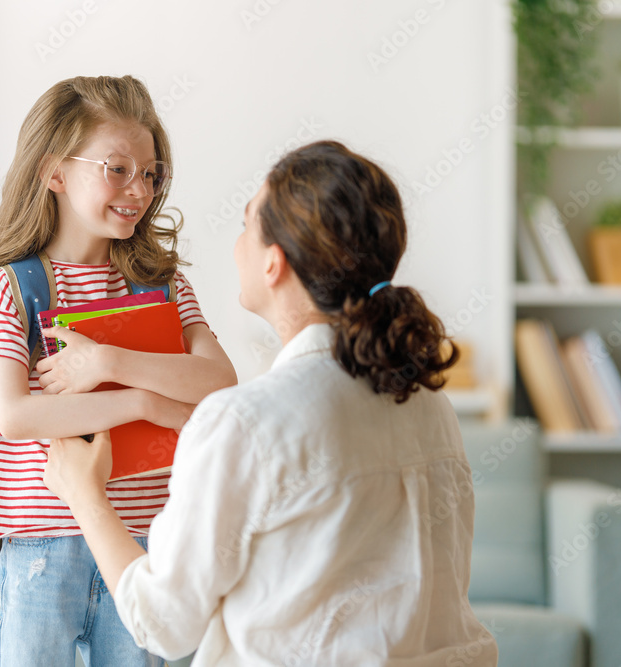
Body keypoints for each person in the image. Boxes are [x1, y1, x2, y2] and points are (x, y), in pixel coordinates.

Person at [44, 140, 500, 666]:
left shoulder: (246, 422)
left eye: (246, 226)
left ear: (273, 264)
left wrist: (85, 496)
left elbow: (162, 623)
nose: (237, 245)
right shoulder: (427, 404)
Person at [0, 75, 237, 667]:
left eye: (151, 173)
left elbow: (218, 381)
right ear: (54, 172)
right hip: (37, 544)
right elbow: (19, 414)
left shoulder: (163, 287)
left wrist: (106, 362)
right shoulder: (14, 288)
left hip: (142, 543)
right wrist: (142, 401)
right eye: (118, 168)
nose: (140, 188)